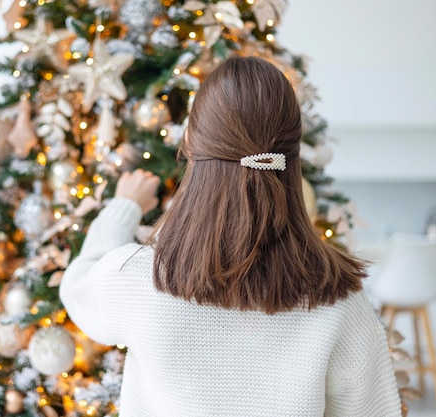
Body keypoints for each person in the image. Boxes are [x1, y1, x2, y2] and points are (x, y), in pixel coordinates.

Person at [60, 56, 402, 416]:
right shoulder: (337, 296)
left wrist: (124, 206)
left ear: (190, 142)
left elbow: (78, 284)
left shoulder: (143, 279)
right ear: (293, 156)